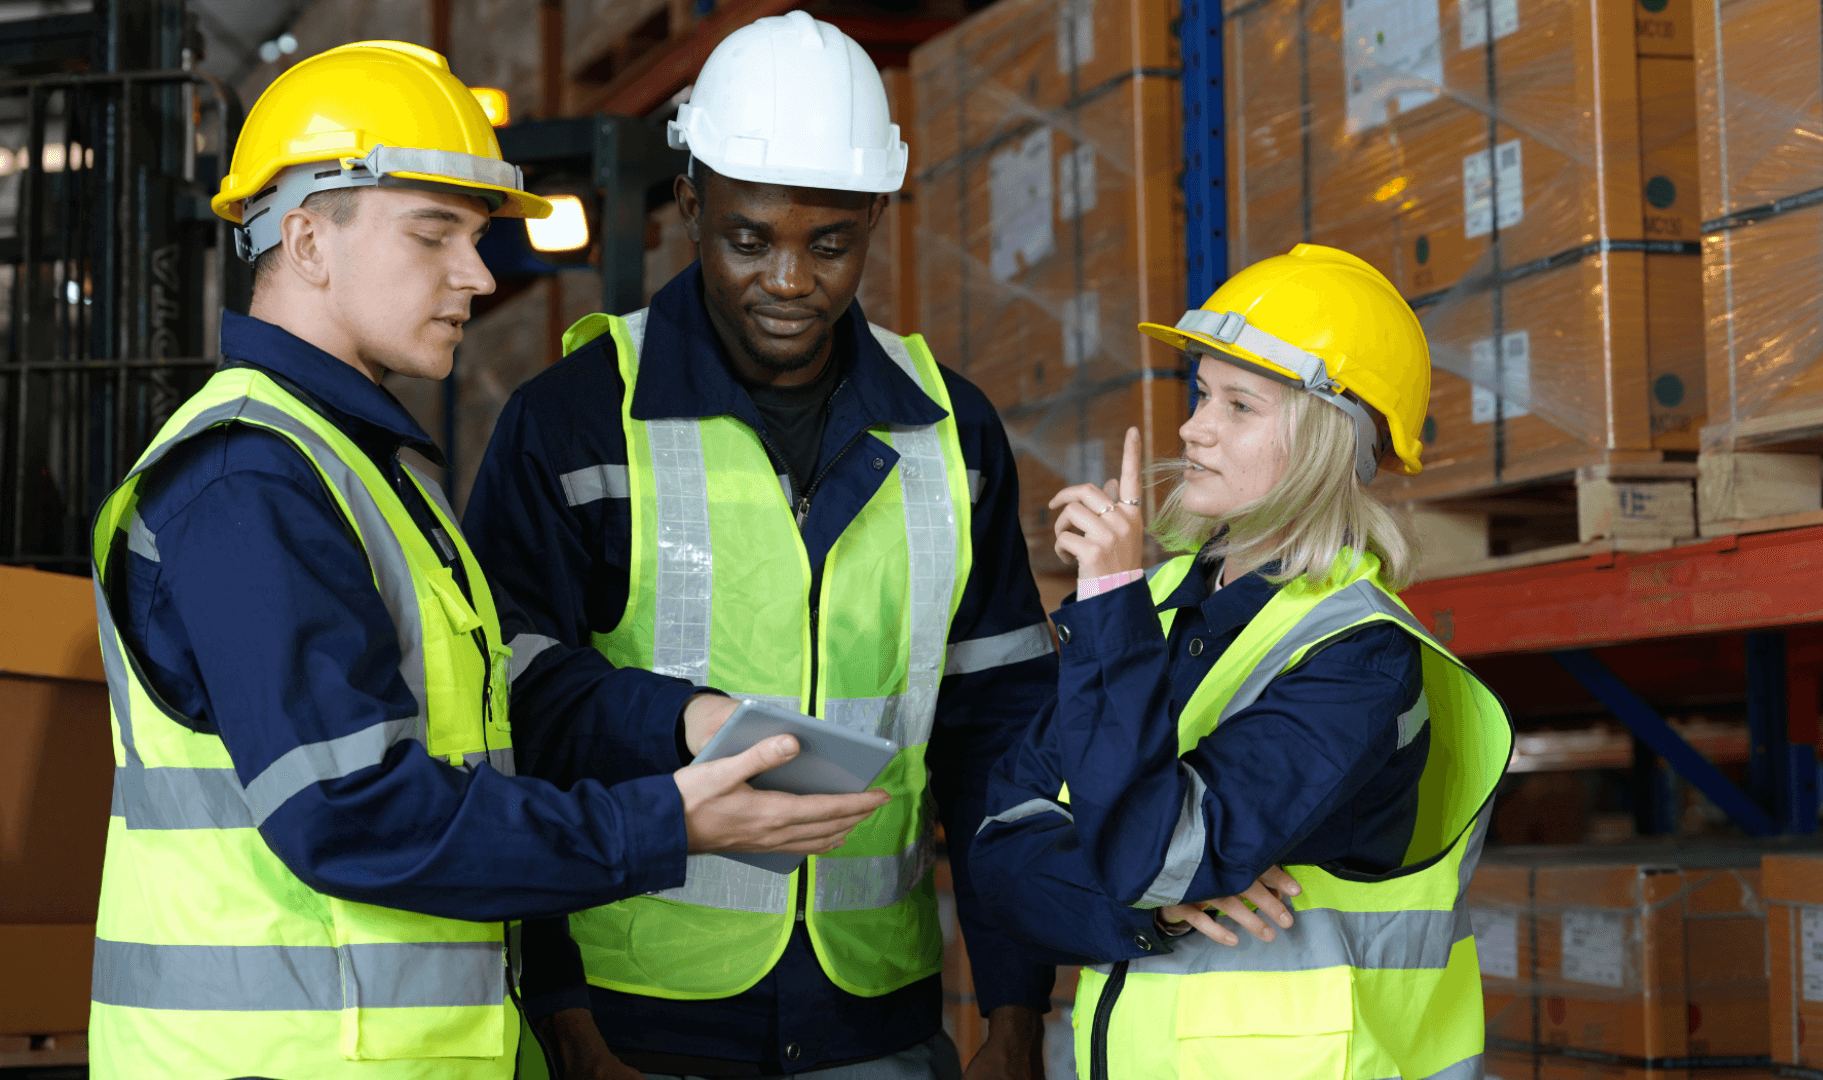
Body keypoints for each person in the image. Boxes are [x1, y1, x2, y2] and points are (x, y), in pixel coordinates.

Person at [87, 40, 887, 1080]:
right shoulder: (250, 482)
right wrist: (667, 822)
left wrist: (677, 723)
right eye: (434, 237)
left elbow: (486, 716)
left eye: (474, 238)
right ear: (307, 241)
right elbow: (351, 814)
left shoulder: (364, 470)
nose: (475, 274)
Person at [462, 12, 1060, 1079]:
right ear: (689, 201)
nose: (790, 280)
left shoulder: (949, 432)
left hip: (873, 1014)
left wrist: (1015, 1008)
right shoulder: (576, 420)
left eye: (830, 244)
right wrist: (559, 1010)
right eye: (750, 239)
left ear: (875, 217)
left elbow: (998, 739)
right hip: (633, 1022)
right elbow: (513, 716)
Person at [969, 245, 1515, 1080]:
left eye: (1240, 404)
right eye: (1200, 393)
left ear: (1331, 440)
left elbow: (1156, 857)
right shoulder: (1150, 606)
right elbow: (1000, 854)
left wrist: (1107, 599)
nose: (1193, 426)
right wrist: (1161, 912)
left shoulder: (1359, 657)